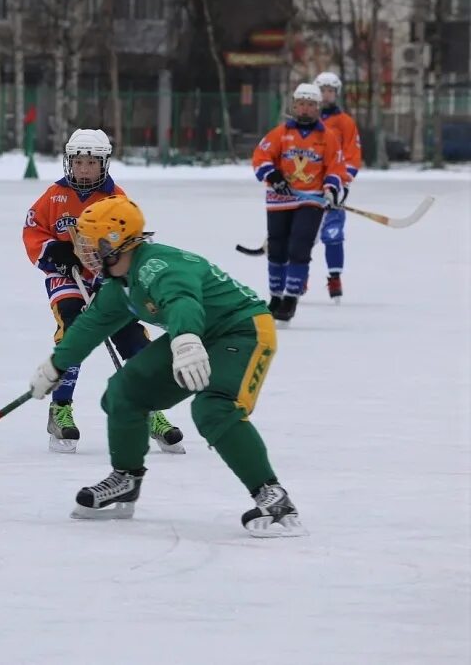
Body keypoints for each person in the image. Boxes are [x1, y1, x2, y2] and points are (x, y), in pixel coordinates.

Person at [29, 196, 306, 538]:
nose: (83, 251)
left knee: (214, 408)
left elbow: (181, 299)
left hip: (242, 329)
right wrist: (55, 366)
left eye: (90, 243)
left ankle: (272, 495)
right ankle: (126, 478)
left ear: (114, 242)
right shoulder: (121, 284)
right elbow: (91, 326)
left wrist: (187, 338)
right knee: (125, 391)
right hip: (194, 333)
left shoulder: (155, 266)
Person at [21, 128, 184, 454]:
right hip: (66, 278)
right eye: (78, 162)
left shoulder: (117, 198)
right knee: (73, 327)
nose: (83, 169)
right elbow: (33, 229)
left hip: (109, 279)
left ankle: (150, 409)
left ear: (104, 164)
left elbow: (130, 240)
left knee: (133, 340)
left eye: (91, 163)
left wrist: (109, 270)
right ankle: (61, 408)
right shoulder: (54, 196)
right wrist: (52, 251)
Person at [251, 82, 346, 322]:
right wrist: (273, 176)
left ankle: (291, 298)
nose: (304, 109)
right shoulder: (280, 133)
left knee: (299, 247)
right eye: (300, 104)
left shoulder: (328, 137)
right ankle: (275, 296)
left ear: (318, 108)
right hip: (279, 199)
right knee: (277, 248)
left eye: (310, 105)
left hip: (310, 200)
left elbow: (336, 167)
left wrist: (331, 188)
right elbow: (261, 157)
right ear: (294, 106)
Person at [313, 72, 362, 301]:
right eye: (322, 90)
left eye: (330, 91)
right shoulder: (306, 122)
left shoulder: (345, 122)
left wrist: (342, 184)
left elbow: (353, 155)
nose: (326, 95)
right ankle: (298, 276)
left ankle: (334, 277)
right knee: (303, 235)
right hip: (307, 187)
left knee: (333, 234)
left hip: (334, 186)